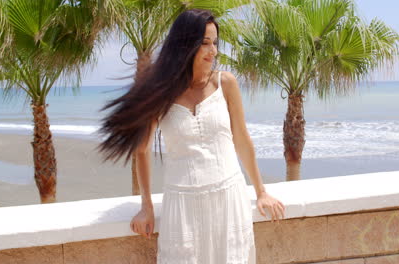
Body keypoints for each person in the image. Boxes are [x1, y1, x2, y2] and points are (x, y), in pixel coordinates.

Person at [98, 9, 285, 263]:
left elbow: (241, 139)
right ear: (186, 44)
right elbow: (142, 150)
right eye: (205, 43)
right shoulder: (161, 92)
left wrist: (261, 191)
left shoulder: (226, 84)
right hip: (182, 207)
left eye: (215, 43)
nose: (213, 51)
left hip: (228, 200)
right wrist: (146, 206)